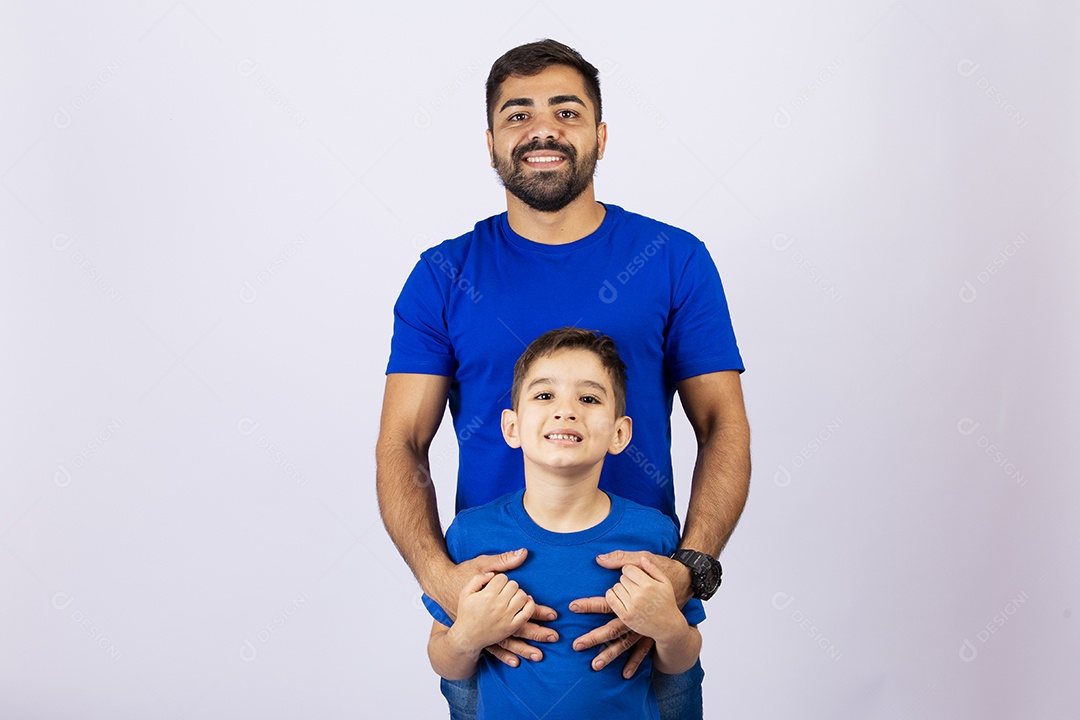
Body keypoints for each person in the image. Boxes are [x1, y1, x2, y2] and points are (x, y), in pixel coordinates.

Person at [377, 39, 750, 719]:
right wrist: (446, 583)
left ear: (600, 135)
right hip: (496, 625)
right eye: (517, 115)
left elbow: (723, 424)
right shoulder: (443, 275)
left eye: (566, 112)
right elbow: (401, 443)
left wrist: (684, 569)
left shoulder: (673, 260)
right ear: (490, 142)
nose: (542, 129)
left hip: (640, 616)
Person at [425, 328, 704, 719]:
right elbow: (444, 660)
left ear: (619, 433)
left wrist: (669, 628)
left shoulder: (652, 535)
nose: (566, 410)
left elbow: (681, 658)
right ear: (512, 427)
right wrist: (467, 637)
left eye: (588, 398)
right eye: (544, 395)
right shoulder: (472, 535)